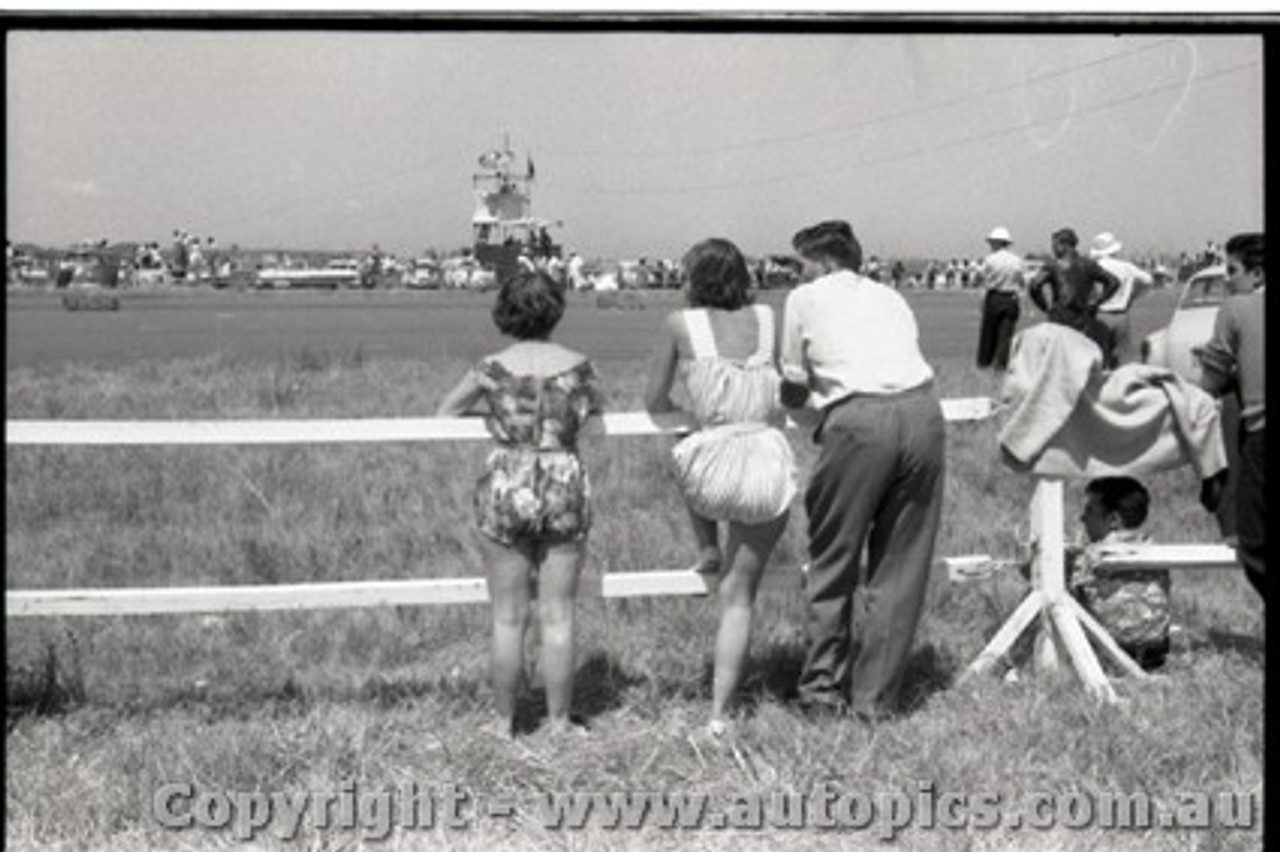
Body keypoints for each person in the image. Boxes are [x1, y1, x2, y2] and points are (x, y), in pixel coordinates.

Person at [780, 220, 946, 722]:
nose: (797, 274)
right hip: (923, 415)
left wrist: (810, 418)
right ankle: (875, 700)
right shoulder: (891, 298)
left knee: (834, 558)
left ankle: (821, 690)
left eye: (801, 264)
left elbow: (792, 382)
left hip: (858, 420)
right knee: (901, 566)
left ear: (825, 263)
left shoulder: (804, 300)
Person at [436, 269, 603, 737]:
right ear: (556, 311)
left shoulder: (491, 368)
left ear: (506, 312)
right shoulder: (580, 366)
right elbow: (597, 409)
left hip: (507, 480)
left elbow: (446, 410)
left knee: (508, 617)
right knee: (558, 614)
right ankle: (558, 721)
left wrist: (496, 416)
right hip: (563, 479)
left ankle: (503, 721)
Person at [644, 238, 796, 736]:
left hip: (710, 469)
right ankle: (720, 716)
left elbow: (654, 400)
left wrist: (697, 417)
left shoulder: (679, 324)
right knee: (740, 596)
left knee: (686, 450)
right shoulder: (769, 319)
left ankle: (707, 545)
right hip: (767, 464)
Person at [1195, 232, 1265, 601]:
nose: (1227, 278)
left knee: (1252, 540)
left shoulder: (1237, 307)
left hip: (1260, 435)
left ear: (1257, 274)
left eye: (1232, 270)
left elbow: (1212, 376)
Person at [1069, 477, 1172, 671]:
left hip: (1108, 654)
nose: (1082, 518)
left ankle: (1012, 663)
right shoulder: (1155, 549)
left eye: (1089, 511)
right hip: (1155, 654)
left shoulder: (1090, 557)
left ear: (1113, 520)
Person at [1028, 227, 1121, 362]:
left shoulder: (1053, 266)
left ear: (1065, 245)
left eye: (1054, 246)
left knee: (1059, 358)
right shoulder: (1088, 264)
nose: (1053, 250)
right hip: (1084, 317)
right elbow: (1113, 282)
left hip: (1059, 317)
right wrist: (1097, 302)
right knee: (1081, 357)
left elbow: (1034, 286)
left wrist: (1045, 306)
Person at [1089, 232, 1153, 367]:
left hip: (1100, 314)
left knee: (1100, 356)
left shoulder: (1093, 267)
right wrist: (1133, 295)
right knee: (1123, 357)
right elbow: (1148, 280)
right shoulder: (1126, 267)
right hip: (1121, 314)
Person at [974, 226, 1025, 371]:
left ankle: (984, 364)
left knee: (988, 334)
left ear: (997, 242)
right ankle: (1001, 366)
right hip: (1011, 298)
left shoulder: (990, 259)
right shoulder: (1017, 260)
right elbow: (1022, 281)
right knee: (1006, 336)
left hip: (995, 296)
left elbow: (979, 277)